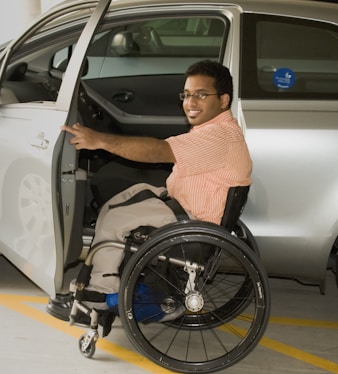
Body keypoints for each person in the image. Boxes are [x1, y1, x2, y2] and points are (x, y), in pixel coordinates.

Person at [47, 60, 252, 325]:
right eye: (187, 95)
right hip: (187, 206)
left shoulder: (216, 137)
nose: (191, 102)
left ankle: (99, 294)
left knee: (115, 217)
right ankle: (106, 276)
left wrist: (100, 140)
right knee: (121, 197)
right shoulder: (221, 131)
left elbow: (158, 151)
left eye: (201, 95)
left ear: (223, 100)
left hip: (191, 222)